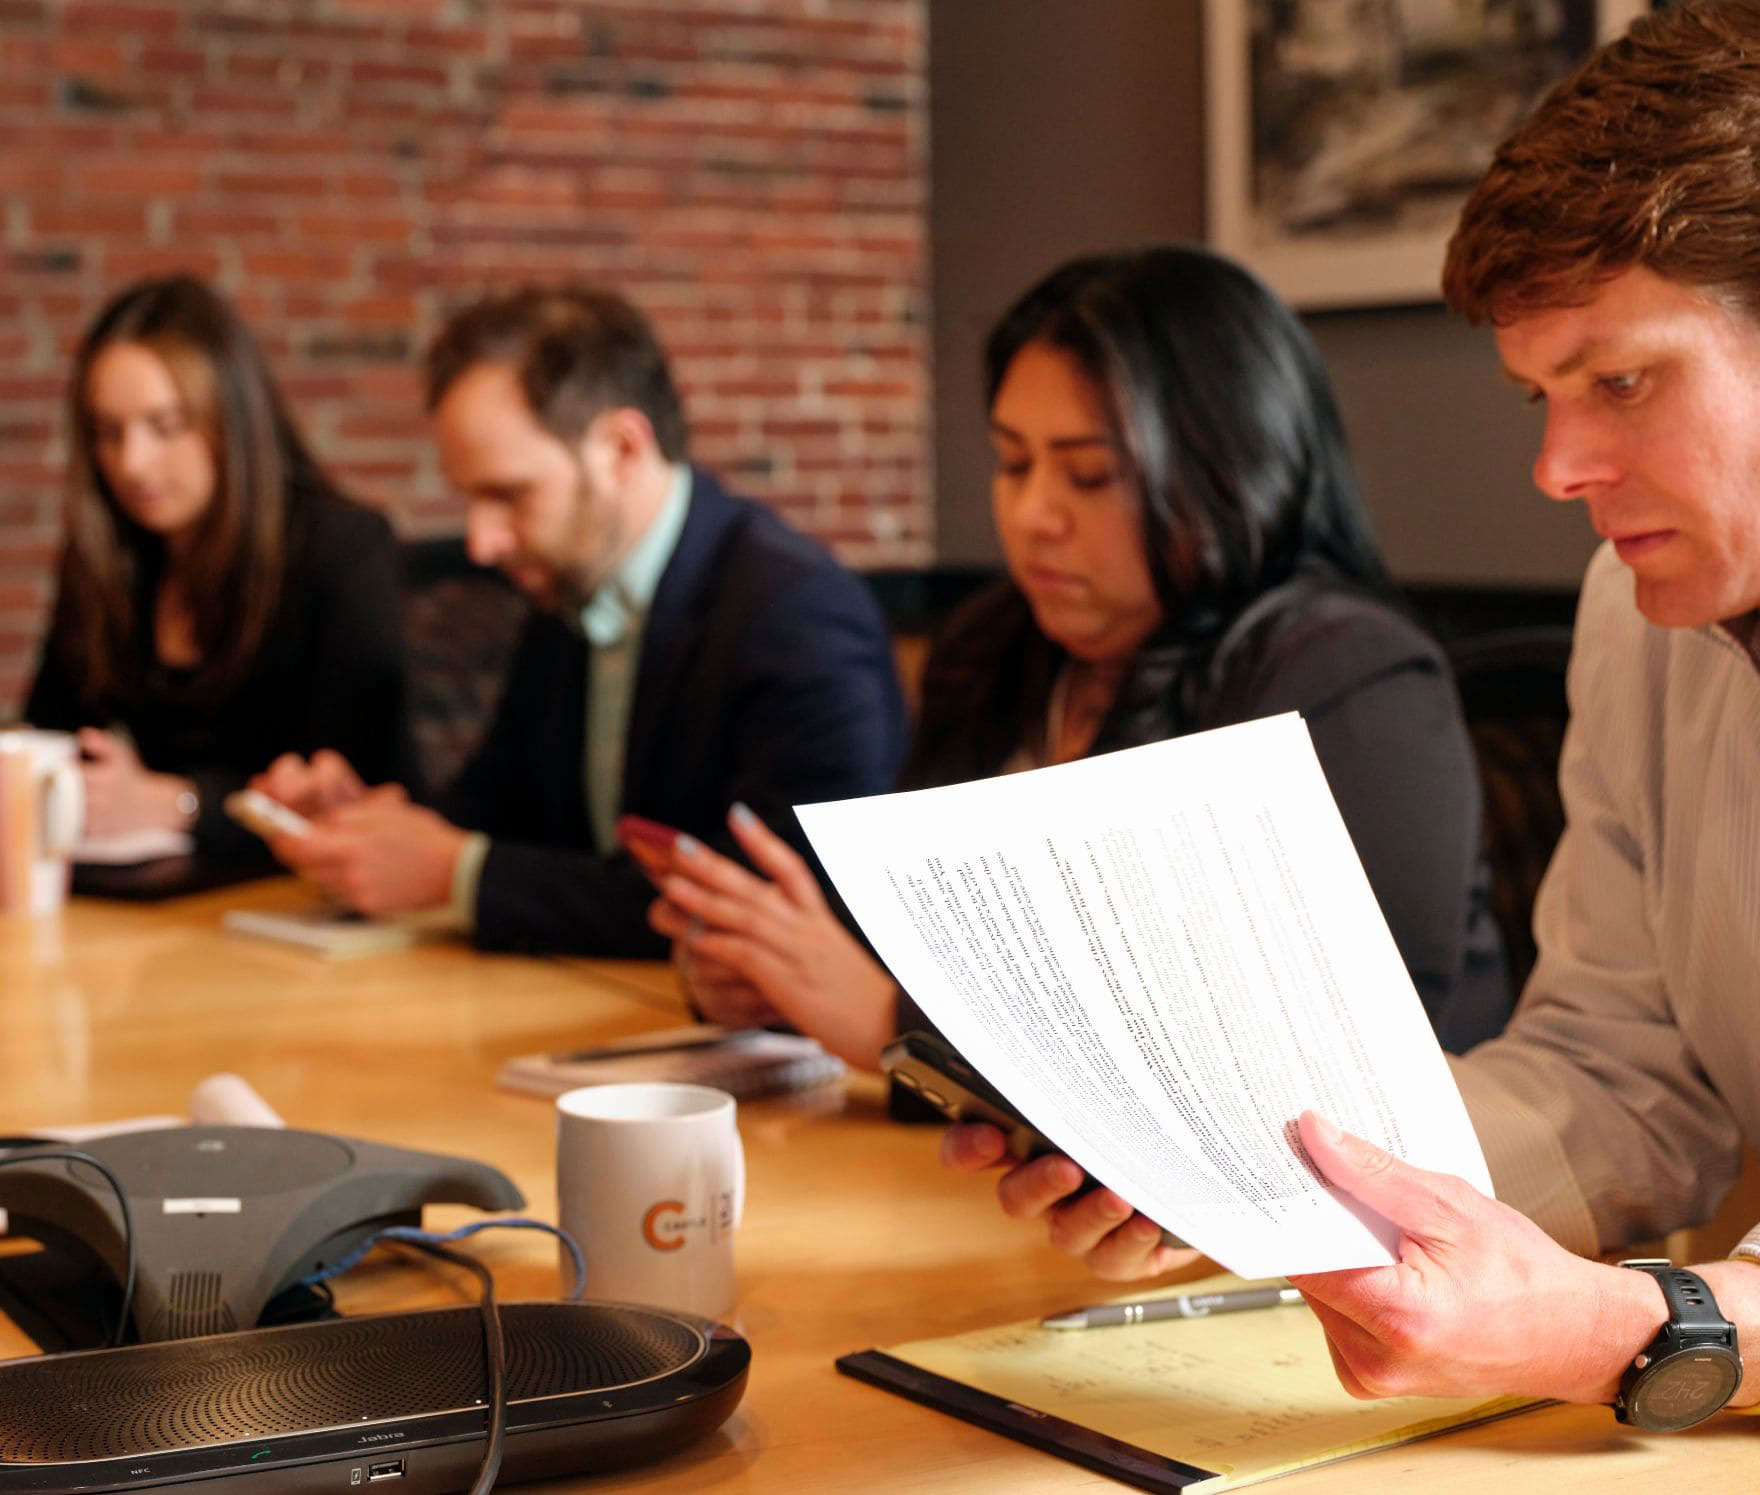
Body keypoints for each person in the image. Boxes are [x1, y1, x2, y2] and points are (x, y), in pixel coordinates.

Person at [951, 0, 1760, 1426]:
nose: (1558, 466)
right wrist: (1272, 1175)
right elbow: (1620, 1072)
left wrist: (1633, 1326)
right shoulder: (1635, 626)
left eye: (1621, 381)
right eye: (1536, 398)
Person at [632, 245, 1511, 1074]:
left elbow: (1284, 1052)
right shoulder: (993, 648)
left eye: (1088, 475)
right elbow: (933, 953)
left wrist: (891, 1025)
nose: (1033, 514)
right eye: (1014, 463)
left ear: (1227, 475)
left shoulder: (1347, 678)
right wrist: (775, 974)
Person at [255, 284, 906, 957]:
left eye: (509, 495)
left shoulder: (797, 613)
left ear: (622, 448)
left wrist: (457, 871)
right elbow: (496, 813)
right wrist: (364, 830)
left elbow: (781, 902)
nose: (482, 542)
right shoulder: (568, 588)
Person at [25, 275, 410, 855]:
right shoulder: (111, 557)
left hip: (302, 898)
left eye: (166, 426)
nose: (132, 463)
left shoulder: (341, 551)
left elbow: (360, 796)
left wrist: (178, 803)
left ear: (231, 420)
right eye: (108, 433)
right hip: (156, 907)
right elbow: (47, 737)